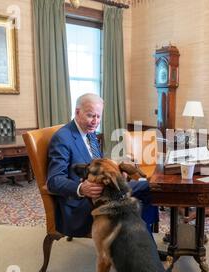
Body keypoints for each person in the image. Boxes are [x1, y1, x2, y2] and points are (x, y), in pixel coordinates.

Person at [46, 93, 159, 237]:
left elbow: (97, 164)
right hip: (81, 204)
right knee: (149, 188)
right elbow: (53, 181)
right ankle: (142, 241)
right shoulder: (62, 138)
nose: (95, 121)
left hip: (105, 192)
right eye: (91, 115)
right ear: (77, 112)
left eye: (98, 116)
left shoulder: (90, 133)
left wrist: (117, 169)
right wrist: (81, 188)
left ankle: (142, 238)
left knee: (150, 189)